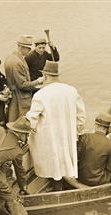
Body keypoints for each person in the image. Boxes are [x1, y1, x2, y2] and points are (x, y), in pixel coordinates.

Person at [26, 61, 86, 189]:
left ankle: (57, 187)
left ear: (46, 76)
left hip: (49, 137)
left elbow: (32, 120)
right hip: (67, 135)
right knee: (67, 158)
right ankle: (68, 184)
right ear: (57, 76)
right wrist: (76, 131)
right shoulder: (71, 91)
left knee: (53, 162)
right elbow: (81, 116)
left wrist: (29, 135)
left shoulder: (40, 95)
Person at [4, 35, 45, 122]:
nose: (30, 51)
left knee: (14, 120)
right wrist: (37, 82)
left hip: (15, 96)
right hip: (20, 99)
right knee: (22, 122)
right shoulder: (17, 62)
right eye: (28, 48)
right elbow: (22, 85)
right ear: (21, 47)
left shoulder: (10, 57)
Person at [77, 113, 111, 186]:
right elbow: (110, 168)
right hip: (99, 181)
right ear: (107, 129)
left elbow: (77, 157)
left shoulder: (84, 137)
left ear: (96, 125)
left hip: (81, 179)